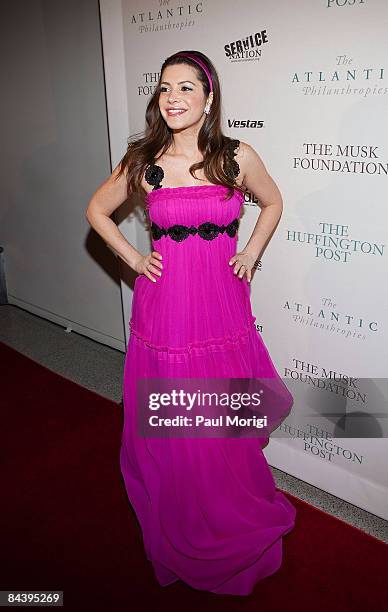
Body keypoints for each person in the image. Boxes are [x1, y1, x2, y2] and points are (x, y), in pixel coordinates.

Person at [86, 50, 296, 596]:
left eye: (186, 88)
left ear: (208, 98)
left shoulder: (235, 156)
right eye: (164, 88)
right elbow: (96, 211)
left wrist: (250, 252)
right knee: (178, 418)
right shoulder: (144, 160)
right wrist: (133, 260)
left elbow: (272, 203)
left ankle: (227, 507)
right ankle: (181, 514)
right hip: (168, 310)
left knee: (221, 414)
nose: (173, 97)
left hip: (222, 305)